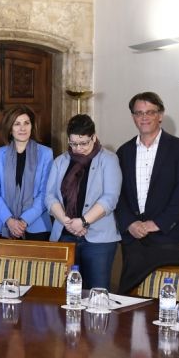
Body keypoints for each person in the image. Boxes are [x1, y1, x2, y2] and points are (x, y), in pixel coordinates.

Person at [45, 114, 121, 289]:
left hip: (99, 240)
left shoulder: (108, 160)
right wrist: (65, 221)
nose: (78, 148)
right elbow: (49, 196)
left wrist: (83, 221)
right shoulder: (61, 161)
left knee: (96, 292)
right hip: (64, 235)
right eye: (73, 144)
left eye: (83, 143)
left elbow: (110, 198)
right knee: (63, 292)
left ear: (93, 137)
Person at [116, 92, 179, 250]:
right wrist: (130, 223)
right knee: (133, 276)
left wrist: (157, 223)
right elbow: (117, 193)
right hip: (133, 236)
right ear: (133, 117)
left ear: (160, 115)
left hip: (166, 235)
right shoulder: (124, 151)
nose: (144, 117)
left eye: (150, 112)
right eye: (139, 113)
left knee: (166, 276)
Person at [0, 105, 53, 240]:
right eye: (17, 124)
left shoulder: (46, 153)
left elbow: (45, 193)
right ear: (10, 129)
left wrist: (24, 221)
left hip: (37, 226)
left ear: (32, 126)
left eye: (26, 123)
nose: (22, 128)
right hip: (2, 224)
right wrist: (9, 220)